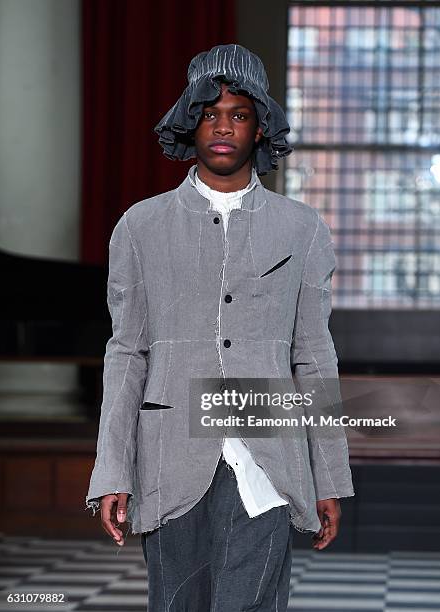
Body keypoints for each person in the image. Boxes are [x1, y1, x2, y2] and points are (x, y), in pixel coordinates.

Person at [85, 44, 355, 611]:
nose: (223, 127)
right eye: (210, 114)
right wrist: (111, 468)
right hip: (170, 458)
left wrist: (330, 475)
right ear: (191, 122)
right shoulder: (141, 226)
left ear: (260, 129)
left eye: (238, 114)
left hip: (269, 462)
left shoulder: (301, 228)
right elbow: (127, 352)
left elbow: (312, 355)